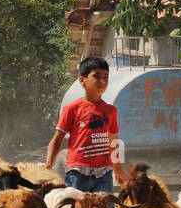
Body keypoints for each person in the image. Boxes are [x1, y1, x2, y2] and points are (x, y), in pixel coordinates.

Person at [43, 56, 126, 193]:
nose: (102, 81)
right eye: (97, 76)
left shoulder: (111, 111)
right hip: (77, 173)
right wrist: (48, 165)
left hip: (104, 173)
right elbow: (57, 139)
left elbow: (114, 141)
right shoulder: (72, 108)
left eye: (105, 77)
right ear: (82, 80)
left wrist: (118, 169)